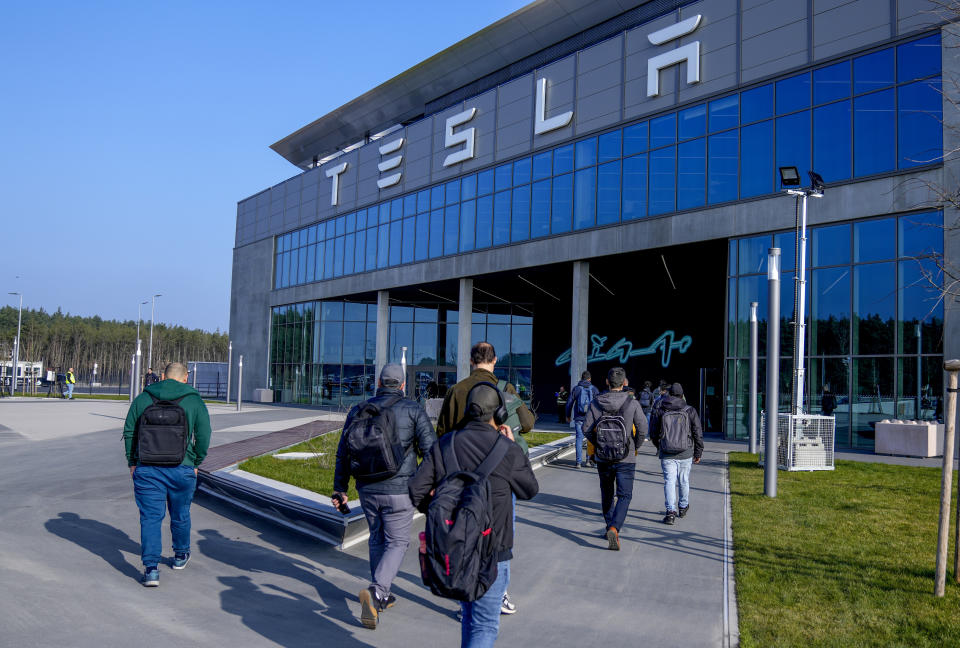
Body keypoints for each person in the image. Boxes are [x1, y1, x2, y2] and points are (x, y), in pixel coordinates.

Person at [409, 382, 539, 648]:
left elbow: (415, 489)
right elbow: (529, 490)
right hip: (494, 549)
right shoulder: (508, 449)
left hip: (455, 547)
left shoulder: (445, 444)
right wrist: (514, 447)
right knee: (484, 625)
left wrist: (438, 515)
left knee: (469, 617)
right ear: (499, 414)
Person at [331, 363, 436, 630]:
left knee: (377, 537)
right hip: (400, 490)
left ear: (379, 382)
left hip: (367, 489)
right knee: (398, 542)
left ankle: (383, 593)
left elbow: (343, 452)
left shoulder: (359, 409)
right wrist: (427, 483)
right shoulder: (412, 409)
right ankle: (377, 591)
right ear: (402, 385)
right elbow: (431, 451)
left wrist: (339, 489)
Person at [435, 341, 534, 616]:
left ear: (470, 360)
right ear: (495, 360)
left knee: (466, 536)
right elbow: (527, 423)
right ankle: (497, 594)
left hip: (463, 478)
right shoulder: (505, 388)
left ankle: (465, 595)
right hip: (500, 475)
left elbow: (442, 434)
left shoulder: (456, 391)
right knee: (500, 539)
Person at [122, 362, 211, 586]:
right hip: (182, 467)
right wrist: (196, 461)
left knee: (151, 517)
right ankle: (180, 555)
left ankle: (151, 569)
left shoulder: (144, 398)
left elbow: (130, 430)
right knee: (181, 513)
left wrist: (132, 461)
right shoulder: (194, 400)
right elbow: (204, 435)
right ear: (186, 377)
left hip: (148, 467)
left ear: (162, 376)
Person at [583, 367, 647, 550]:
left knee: (607, 494)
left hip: (603, 458)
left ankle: (609, 526)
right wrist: (635, 445)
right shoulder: (632, 403)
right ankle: (614, 527)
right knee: (625, 495)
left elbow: (586, 428)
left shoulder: (596, 402)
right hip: (625, 458)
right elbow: (643, 429)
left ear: (606, 382)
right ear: (624, 383)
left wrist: (599, 443)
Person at [649, 383, 704, 525]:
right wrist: (698, 452)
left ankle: (670, 512)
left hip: (667, 452)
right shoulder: (689, 410)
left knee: (669, 481)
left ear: (669, 394)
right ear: (682, 395)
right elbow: (698, 433)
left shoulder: (661, 409)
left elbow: (653, 432)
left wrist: (659, 446)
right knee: (684, 480)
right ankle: (683, 506)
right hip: (685, 451)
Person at [566, 371, 599, 469]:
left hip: (579, 418)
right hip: (591, 419)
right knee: (591, 440)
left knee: (579, 439)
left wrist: (568, 415)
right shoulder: (594, 389)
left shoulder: (576, 389)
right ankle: (588, 460)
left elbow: (569, 403)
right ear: (589, 379)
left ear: (581, 378)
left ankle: (578, 462)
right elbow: (599, 404)